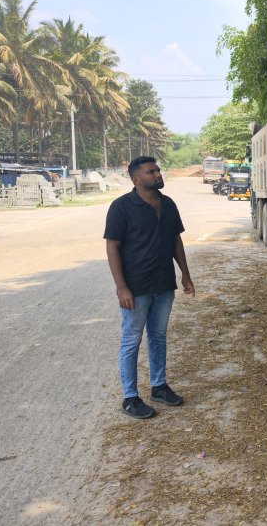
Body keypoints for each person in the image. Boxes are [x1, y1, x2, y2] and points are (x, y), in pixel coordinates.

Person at [104, 156, 195, 419]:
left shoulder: (168, 204)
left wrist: (185, 275)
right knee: (132, 340)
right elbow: (112, 247)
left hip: (164, 283)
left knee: (158, 336)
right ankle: (130, 398)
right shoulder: (121, 207)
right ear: (136, 179)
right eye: (151, 171)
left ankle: (159, 386)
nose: (157, 174)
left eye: (157, 170)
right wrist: (121, 287)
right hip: (136, 286)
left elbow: (175, 239)